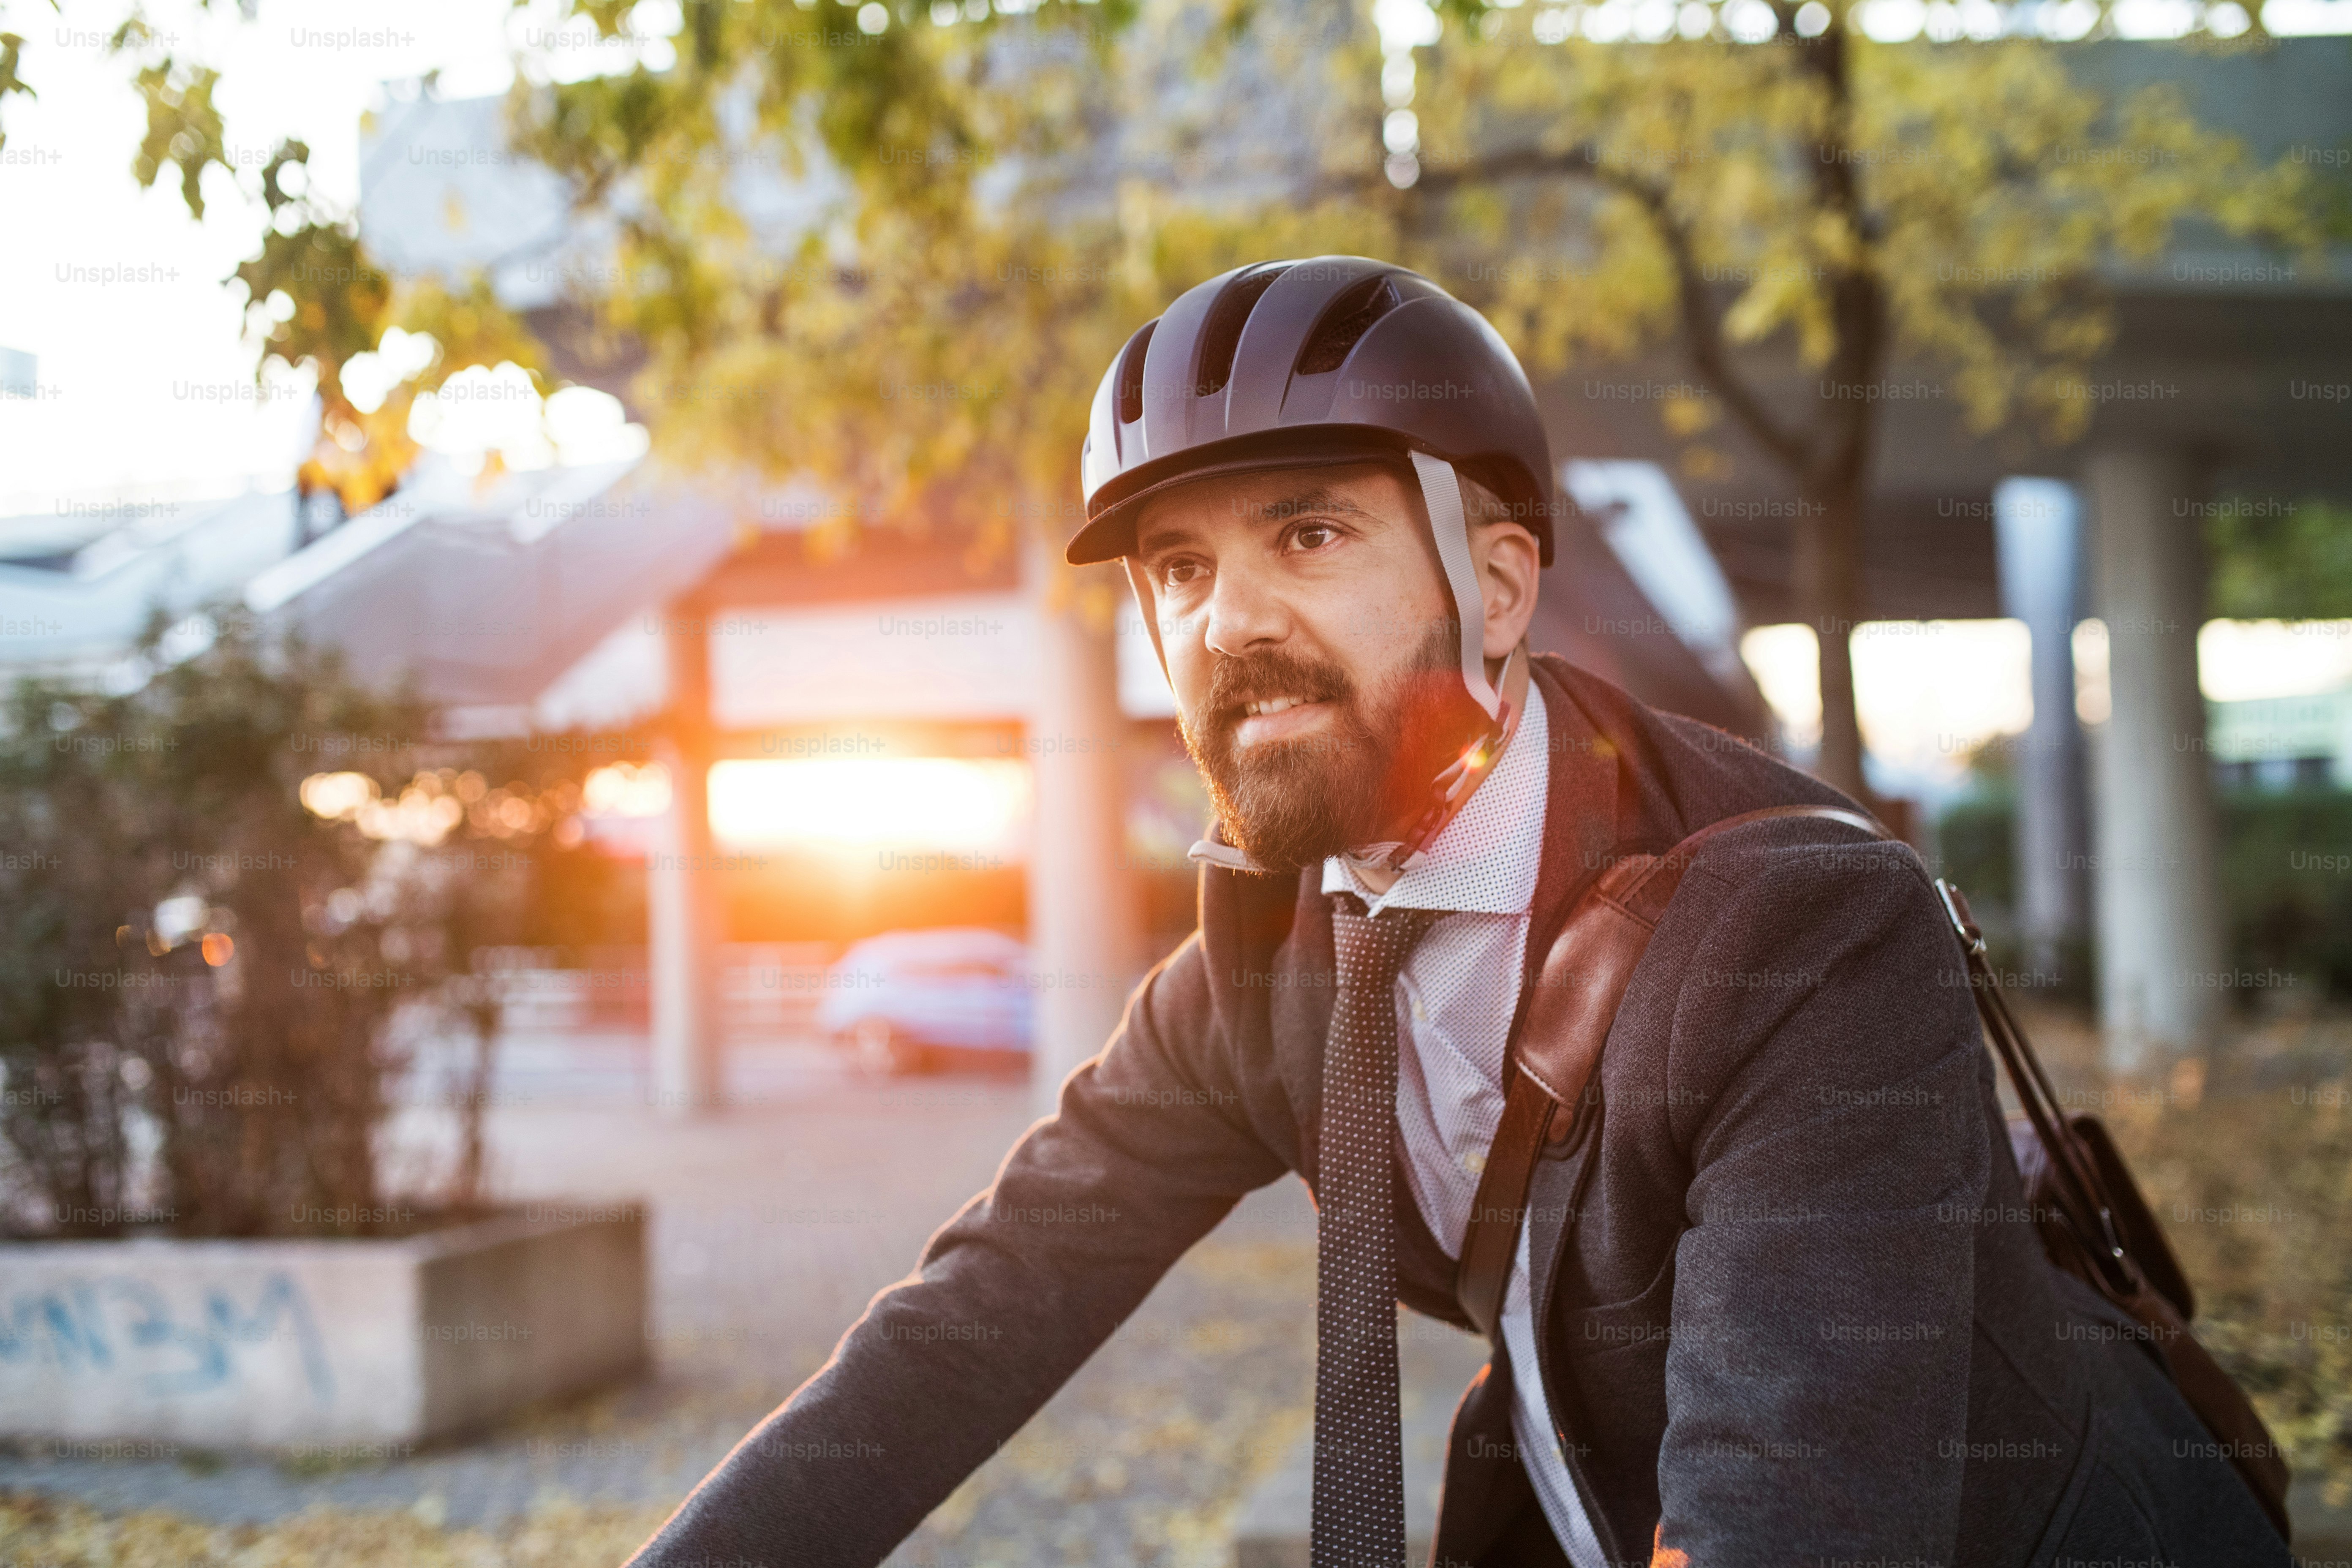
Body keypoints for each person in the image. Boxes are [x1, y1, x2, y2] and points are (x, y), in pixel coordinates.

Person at [624, 258, 2289, 1568]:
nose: (1228, 621)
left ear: (1496, 588)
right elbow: (960, 1335)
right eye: (1181, 571)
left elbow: (1806, 1506)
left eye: (1309, 530)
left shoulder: (1803, 932)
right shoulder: (1261, 975)